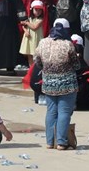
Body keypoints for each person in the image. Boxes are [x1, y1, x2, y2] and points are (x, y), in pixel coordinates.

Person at [34, 18, 81, 150]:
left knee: (51, 112)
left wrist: (47, 69)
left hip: (48, 83)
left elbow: (37, 61)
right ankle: (61, 142)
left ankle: (50, 142)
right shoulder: (68, 44)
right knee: (64, 112)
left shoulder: (43, 42)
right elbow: (76, 65)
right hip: (67, 84)